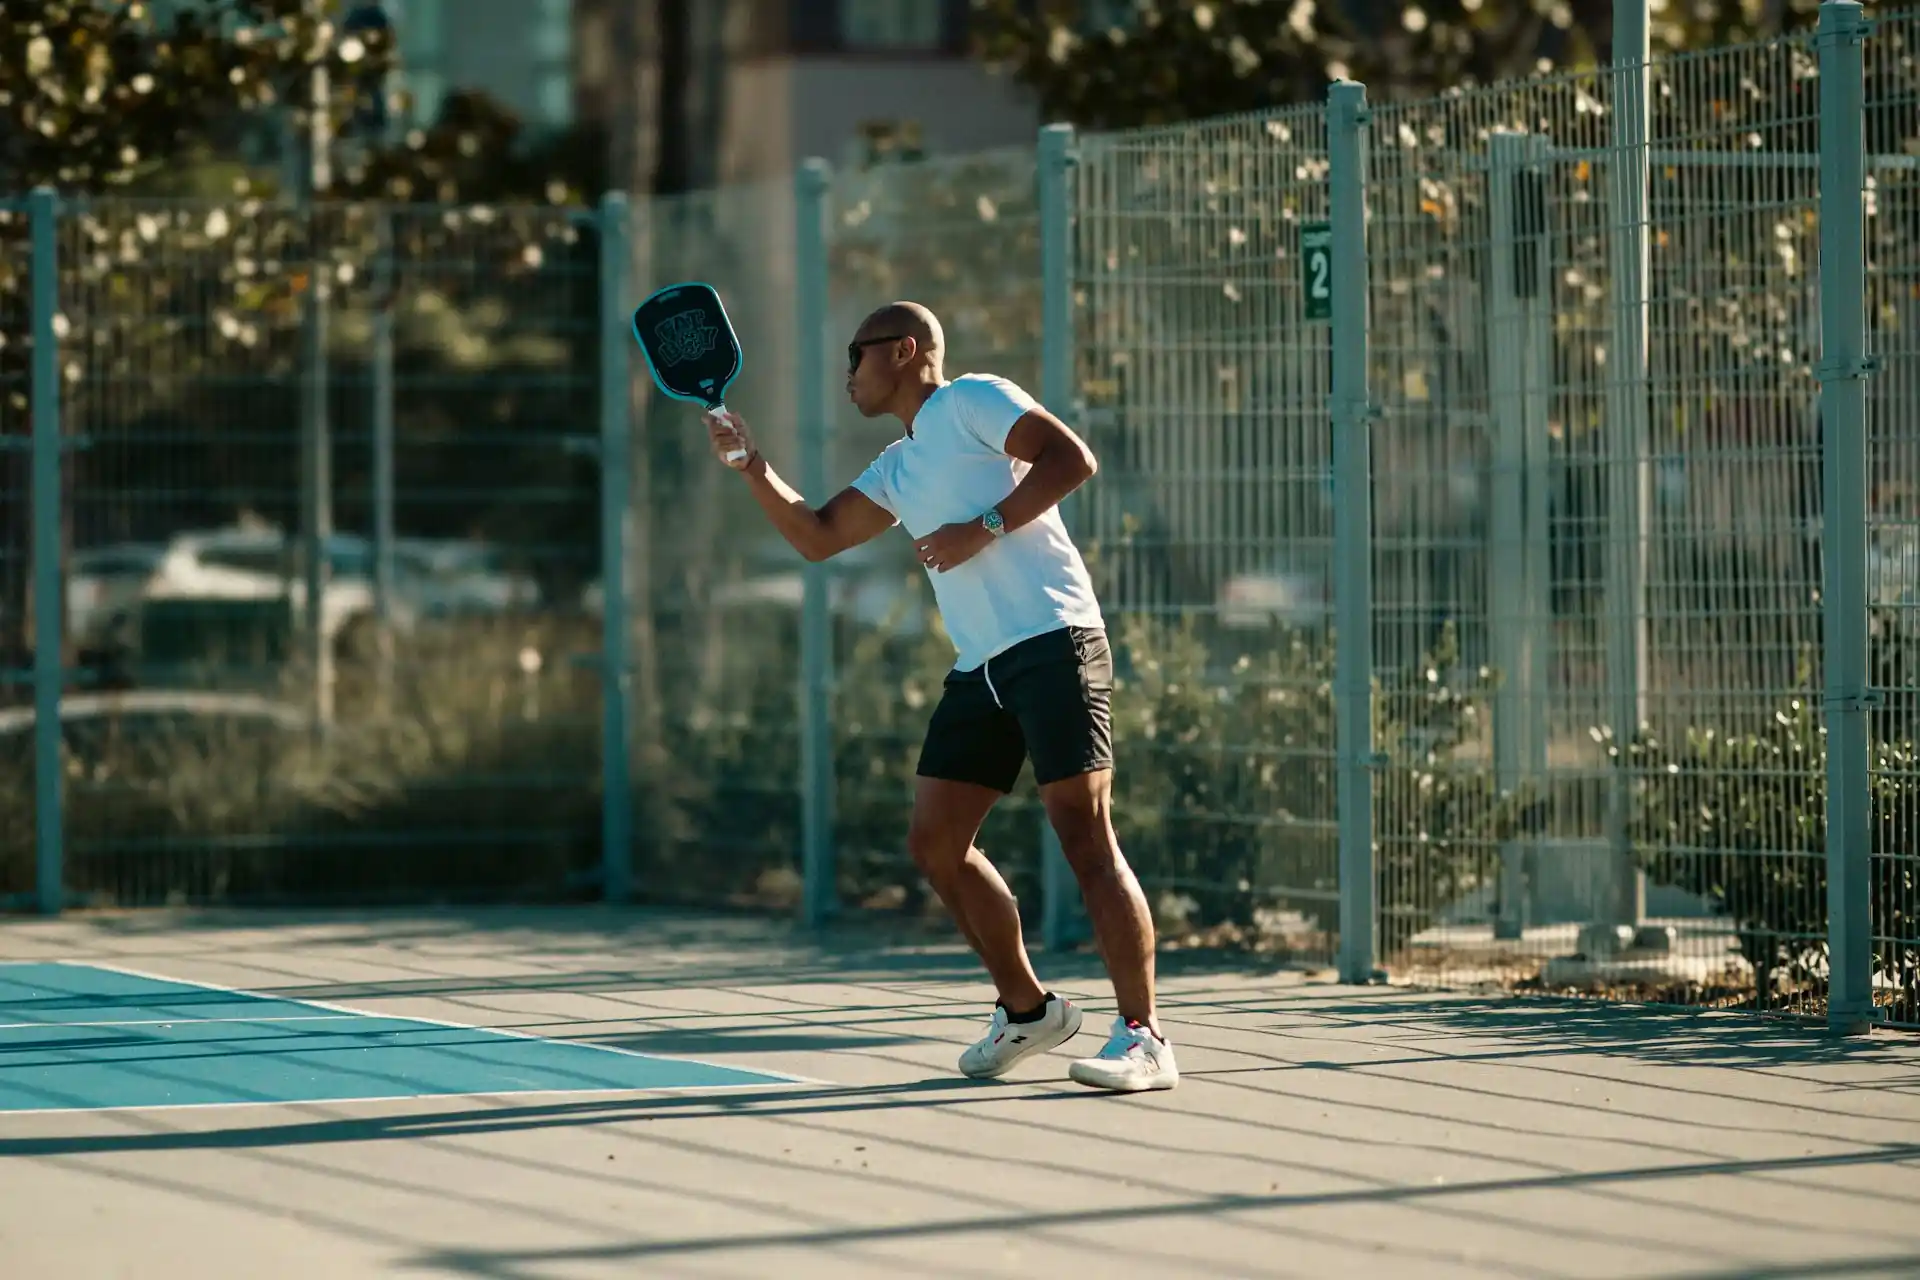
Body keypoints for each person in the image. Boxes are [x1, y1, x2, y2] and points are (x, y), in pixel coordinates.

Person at [700, 301, 1177, 1094]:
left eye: (856, 355)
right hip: (983, 664)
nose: (847, 374)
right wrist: (753, 465)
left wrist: (982, 525)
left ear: (905, 351)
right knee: (936, 844)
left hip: (1056, 640)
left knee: (1083, 835)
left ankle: (1145, 1036)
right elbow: (817, 536)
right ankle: (1028, 1011)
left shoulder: (972, 400)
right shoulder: (896, 465)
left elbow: (1071, 460)